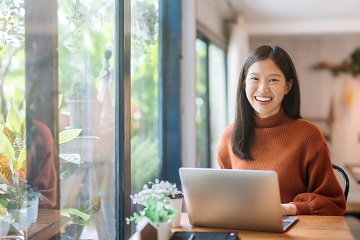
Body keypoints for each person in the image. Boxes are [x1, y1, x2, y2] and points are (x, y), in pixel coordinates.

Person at [216, 45, 346, 216]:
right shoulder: (229, 136)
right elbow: (223, 195)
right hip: (243, 228)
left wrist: (290, 208)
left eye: (273, 80)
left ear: (288, 86)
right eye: (254, 78)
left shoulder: (308, 135)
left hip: (294, 231)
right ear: (244, 83)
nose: (263, 89)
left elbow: (334, 203)